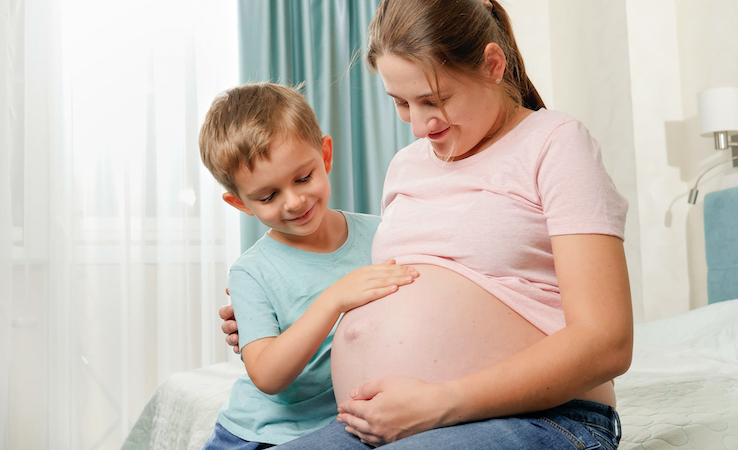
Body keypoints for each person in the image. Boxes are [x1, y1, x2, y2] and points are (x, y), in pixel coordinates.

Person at [222, 0, 633, 447]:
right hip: (373, 423)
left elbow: (606, 341)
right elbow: (387, 278)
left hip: (544, 414)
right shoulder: (406, 165)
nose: (418, 126)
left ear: (493, 65)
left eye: (433, 101)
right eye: (400, 103)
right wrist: (272, 313)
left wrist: (440, 400)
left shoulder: (554, 143)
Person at [198, 82, 418, 448]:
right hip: (258, 435)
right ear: (241, 204)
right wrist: (334, 299)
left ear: (325, 155)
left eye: (303, 178)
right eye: (268, 196)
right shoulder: (251, 273)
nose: (295, 201)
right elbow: (267, 375)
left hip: (341, 425)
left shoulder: (382, 233)